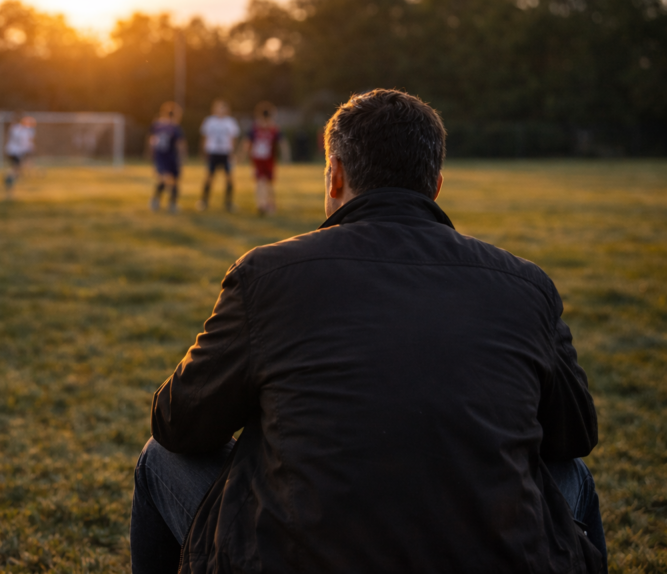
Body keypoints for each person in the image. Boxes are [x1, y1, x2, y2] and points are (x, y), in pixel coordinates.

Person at [131, 89, 607, 574]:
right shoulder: (527, 285)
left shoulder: (268, 273)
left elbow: (177, 423)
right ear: (436, 185)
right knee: (573, 476)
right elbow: (574, 435)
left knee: (161, 459)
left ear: (335, 174)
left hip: (299, 556)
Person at [242, 101, 284, 215]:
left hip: (268, 159)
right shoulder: (255, 128)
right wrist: (243, 155)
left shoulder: (273, 129)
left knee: (269, 182)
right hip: (258, 159)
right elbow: (247, 142)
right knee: (260, 181)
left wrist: (285, 155)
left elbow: (281, 142)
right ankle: (261, 204)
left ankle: (270, 204)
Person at [197, 99, 239, 212]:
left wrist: (232, 152)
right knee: (209, 177)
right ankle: (204, 201)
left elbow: (233, 138)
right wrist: (203, 151)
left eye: (223, 107)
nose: (220, 110)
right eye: (218, 107)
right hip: (213, 152)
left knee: (229, 178)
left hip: (225, 152)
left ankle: (228, 203)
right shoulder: (209, 121)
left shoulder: (230, 122)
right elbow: (204, 137)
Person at [148, 101, 187, 213]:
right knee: (171, 180)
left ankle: (160, 202)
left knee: (166, 180)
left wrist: (151, 153)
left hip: (161, 156)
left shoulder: (157, 125)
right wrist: (183, 158)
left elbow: (151, 141)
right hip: (169, 156)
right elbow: (180, 144)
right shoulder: (174, 127)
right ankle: (169, 203)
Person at [4, 115, 36, 196]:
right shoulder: (26, 131)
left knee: (17, 168)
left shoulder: (14, 128)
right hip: (16, 152)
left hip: (10, 150)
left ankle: (12, 178)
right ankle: (9, 180)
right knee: (16, 169)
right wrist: (30, 148)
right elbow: (25, 144)